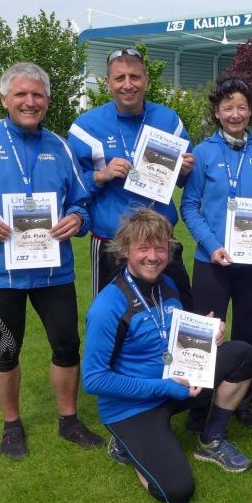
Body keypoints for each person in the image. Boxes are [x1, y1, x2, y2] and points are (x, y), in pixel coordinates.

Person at [0, 62, 104, 460]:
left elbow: (81, 200)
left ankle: (69, 420)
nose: (30, 102)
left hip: (52, 270)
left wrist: (77, 218)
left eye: (37, 95)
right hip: (1, 271)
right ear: (5, 99)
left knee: (67, 345)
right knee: (6, 348)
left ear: (47, 100)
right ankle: (12, 425)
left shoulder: (59, 146)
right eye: (21, 94)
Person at [82, 209, 252, 503]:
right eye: (143, 248)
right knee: (177, 492)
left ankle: (210, 440)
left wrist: (206, 332)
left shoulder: (167, 286)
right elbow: (94, 380)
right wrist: (165, 387)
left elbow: (169, 332)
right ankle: (125, 445)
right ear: (125, 251)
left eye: (160, 248)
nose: (153, 256)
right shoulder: (107, 306)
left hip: (175, 385)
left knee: (241, 354)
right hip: (131, 407)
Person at [180, 76, 252, 429]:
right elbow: (189, 206)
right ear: (217, 113)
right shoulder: (203, 152)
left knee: (246, 332)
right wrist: (212, 246)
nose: (235, 114)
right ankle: (198, 405)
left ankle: (242, 403)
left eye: (241, 107)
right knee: (207, 334)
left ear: (251, 111)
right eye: (228, 108)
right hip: (213, 261)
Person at [68, 48, 195, 308]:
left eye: (135, 77)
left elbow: (185, 181)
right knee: (111, 315)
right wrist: (100, 175)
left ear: (146, 79)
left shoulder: (169, 120)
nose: (128, 85)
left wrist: (185, 169)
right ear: (108, 82)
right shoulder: (85, 127)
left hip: (160, 241)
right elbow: (71, 187)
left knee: (180, 313)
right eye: (119, 78)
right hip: (111, 242)